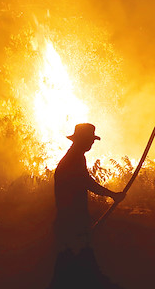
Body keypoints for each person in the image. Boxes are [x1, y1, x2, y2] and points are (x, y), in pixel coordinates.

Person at [49, 123, 124, 289]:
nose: (92, 143)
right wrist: (113, 195)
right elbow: (87, 183)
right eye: (90, 140)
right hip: (71, 222)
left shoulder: (74, 157)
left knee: (71, 266)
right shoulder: (74, 159)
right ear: (82, 140)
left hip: (71, 220)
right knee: (75, 263)